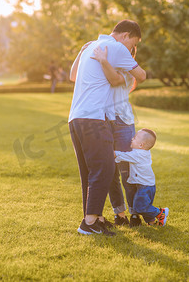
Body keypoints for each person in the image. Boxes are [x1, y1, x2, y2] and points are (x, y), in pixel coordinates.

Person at [68, 20, 146, 236]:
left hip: (75, 118)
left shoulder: (91, 46)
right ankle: (89, 223)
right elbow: (142, 75)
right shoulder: (117, 48)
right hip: (94, 118)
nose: (131, 50)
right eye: (133, 44)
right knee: (104, 169)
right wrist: (124, 59)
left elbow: (72, 77)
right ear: (125, 36)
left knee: (91, 172)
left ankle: (96, 219)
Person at [90, 45, 139, 227]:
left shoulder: (127, 74)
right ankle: (120, 214)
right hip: (104, 121)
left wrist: (103, 59)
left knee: (127, 171)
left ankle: (135, 213)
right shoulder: (104, 68)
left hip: (123, 122)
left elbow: (114, 81)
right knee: (110, 171)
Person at [114, 129, 169, 226]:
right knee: (146, 206)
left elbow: (122, 155)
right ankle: (152, 223)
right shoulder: (143, 152)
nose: (131, 139)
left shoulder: (137, 154)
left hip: (145, 187)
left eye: (134, 138)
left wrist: (111, 152)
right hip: (148, 185)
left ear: (141, 145)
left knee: (139, 207)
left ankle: (160, 213)